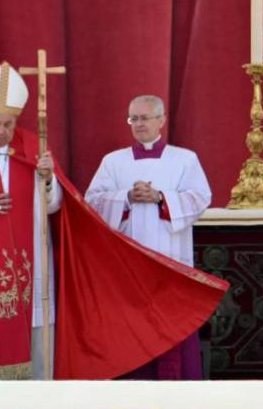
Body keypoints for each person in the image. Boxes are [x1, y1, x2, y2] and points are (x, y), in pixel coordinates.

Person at [0, 62, 229, 380]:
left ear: (162, 119)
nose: (1, 131)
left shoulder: (36, 149)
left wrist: (49, 181)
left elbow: (59, 207)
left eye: (7, 124)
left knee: (39, 339)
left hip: (42, 263)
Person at [85, 94, 211, 379]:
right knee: (131, 331)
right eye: (134, 119)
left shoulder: (185, 159)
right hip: (127, 266)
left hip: (171, 261)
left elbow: (201, 197)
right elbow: (92, 201)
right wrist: (126, 198)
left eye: (145, 118)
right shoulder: (113, 162)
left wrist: (160, 198)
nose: (139, 124)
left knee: (173, 328)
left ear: (161, 120)